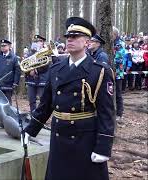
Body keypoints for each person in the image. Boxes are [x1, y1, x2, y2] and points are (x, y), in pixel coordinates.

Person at [24, 17, 115, 180]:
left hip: (84, 139)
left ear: (87, 42)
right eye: (68, 36)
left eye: (75, 36)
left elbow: (106, 114)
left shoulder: (99, 71)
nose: (70, 39)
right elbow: (46, 106)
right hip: (59, 137)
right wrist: (31, 129)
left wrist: (103, 148)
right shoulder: (56, 69)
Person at [0, 39, 21, 104]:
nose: (2, 47)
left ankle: (8, 114)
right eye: (1, 46)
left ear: (9, 46)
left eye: (4, 46)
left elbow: (17, 71)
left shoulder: (14, 58)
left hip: (8, 84)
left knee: (7, 102)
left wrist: (15, 82)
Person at [25, 35, 50, 112]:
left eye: (39, 41)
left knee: (42, 100)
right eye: (36, 41)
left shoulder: (46, 53)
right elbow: (26, 65)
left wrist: (36, 71)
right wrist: (29, 72)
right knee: (31, 100)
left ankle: (40, 116)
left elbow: (46, 65)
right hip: (31, 80)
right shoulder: (30, 53)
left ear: (43, 43)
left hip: (42, 79)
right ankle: (33, 115)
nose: (37, 43)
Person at [112, 26, 127, 120]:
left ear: (115, 34)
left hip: (118, 72)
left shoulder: (120, 43)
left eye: (112, 34)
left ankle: (119, 113)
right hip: (111, 71)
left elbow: (119, 58)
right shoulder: (111, 42)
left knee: (118, 92)